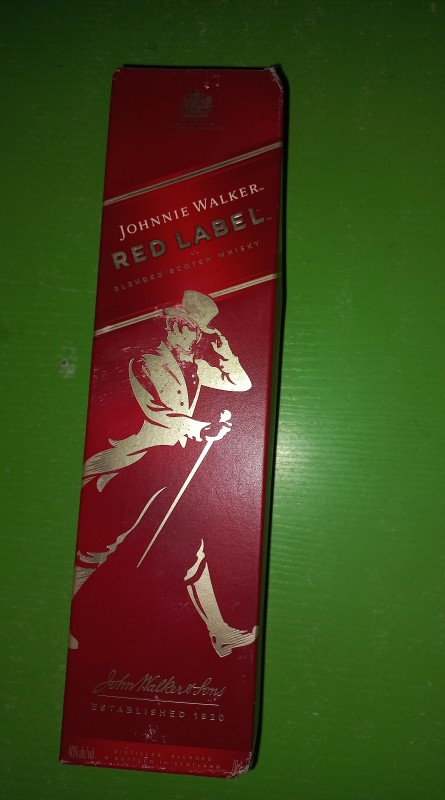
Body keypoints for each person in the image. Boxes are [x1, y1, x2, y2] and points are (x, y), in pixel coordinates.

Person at [70, 290, 258, 656]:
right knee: (99, 546)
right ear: (172, 326)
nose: (189, 335)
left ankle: (219, 632)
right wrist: (201, 428)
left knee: (193, 546)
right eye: (184, 327)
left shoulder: (197, 367)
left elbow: (242, 384)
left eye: (195, 330)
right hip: (136, 465)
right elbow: (159, 415)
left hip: (174, 470)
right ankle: (67, 621)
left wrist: (224, 351)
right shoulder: (146, 361)